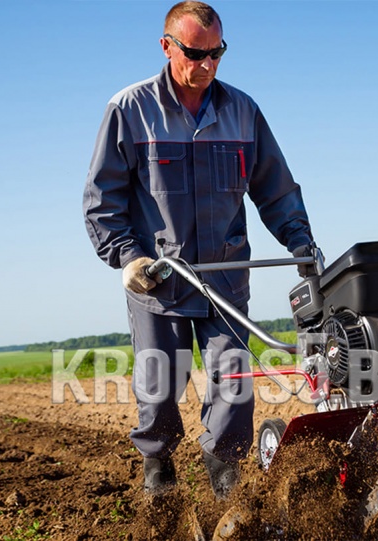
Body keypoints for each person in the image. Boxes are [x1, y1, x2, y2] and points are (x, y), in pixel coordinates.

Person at [82, 1, 315, 500]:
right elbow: (102, 201)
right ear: (167, 46)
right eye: (195, 53)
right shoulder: (129, 110)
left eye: (217, 54)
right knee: (161, 385)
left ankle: (226, 475)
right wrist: (127, 257)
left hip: (224, 280)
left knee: (235, 381)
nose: (207, 66)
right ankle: (158, 464)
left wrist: (299, 239)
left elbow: (274, 188)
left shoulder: (242, 111)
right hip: (159, 280)